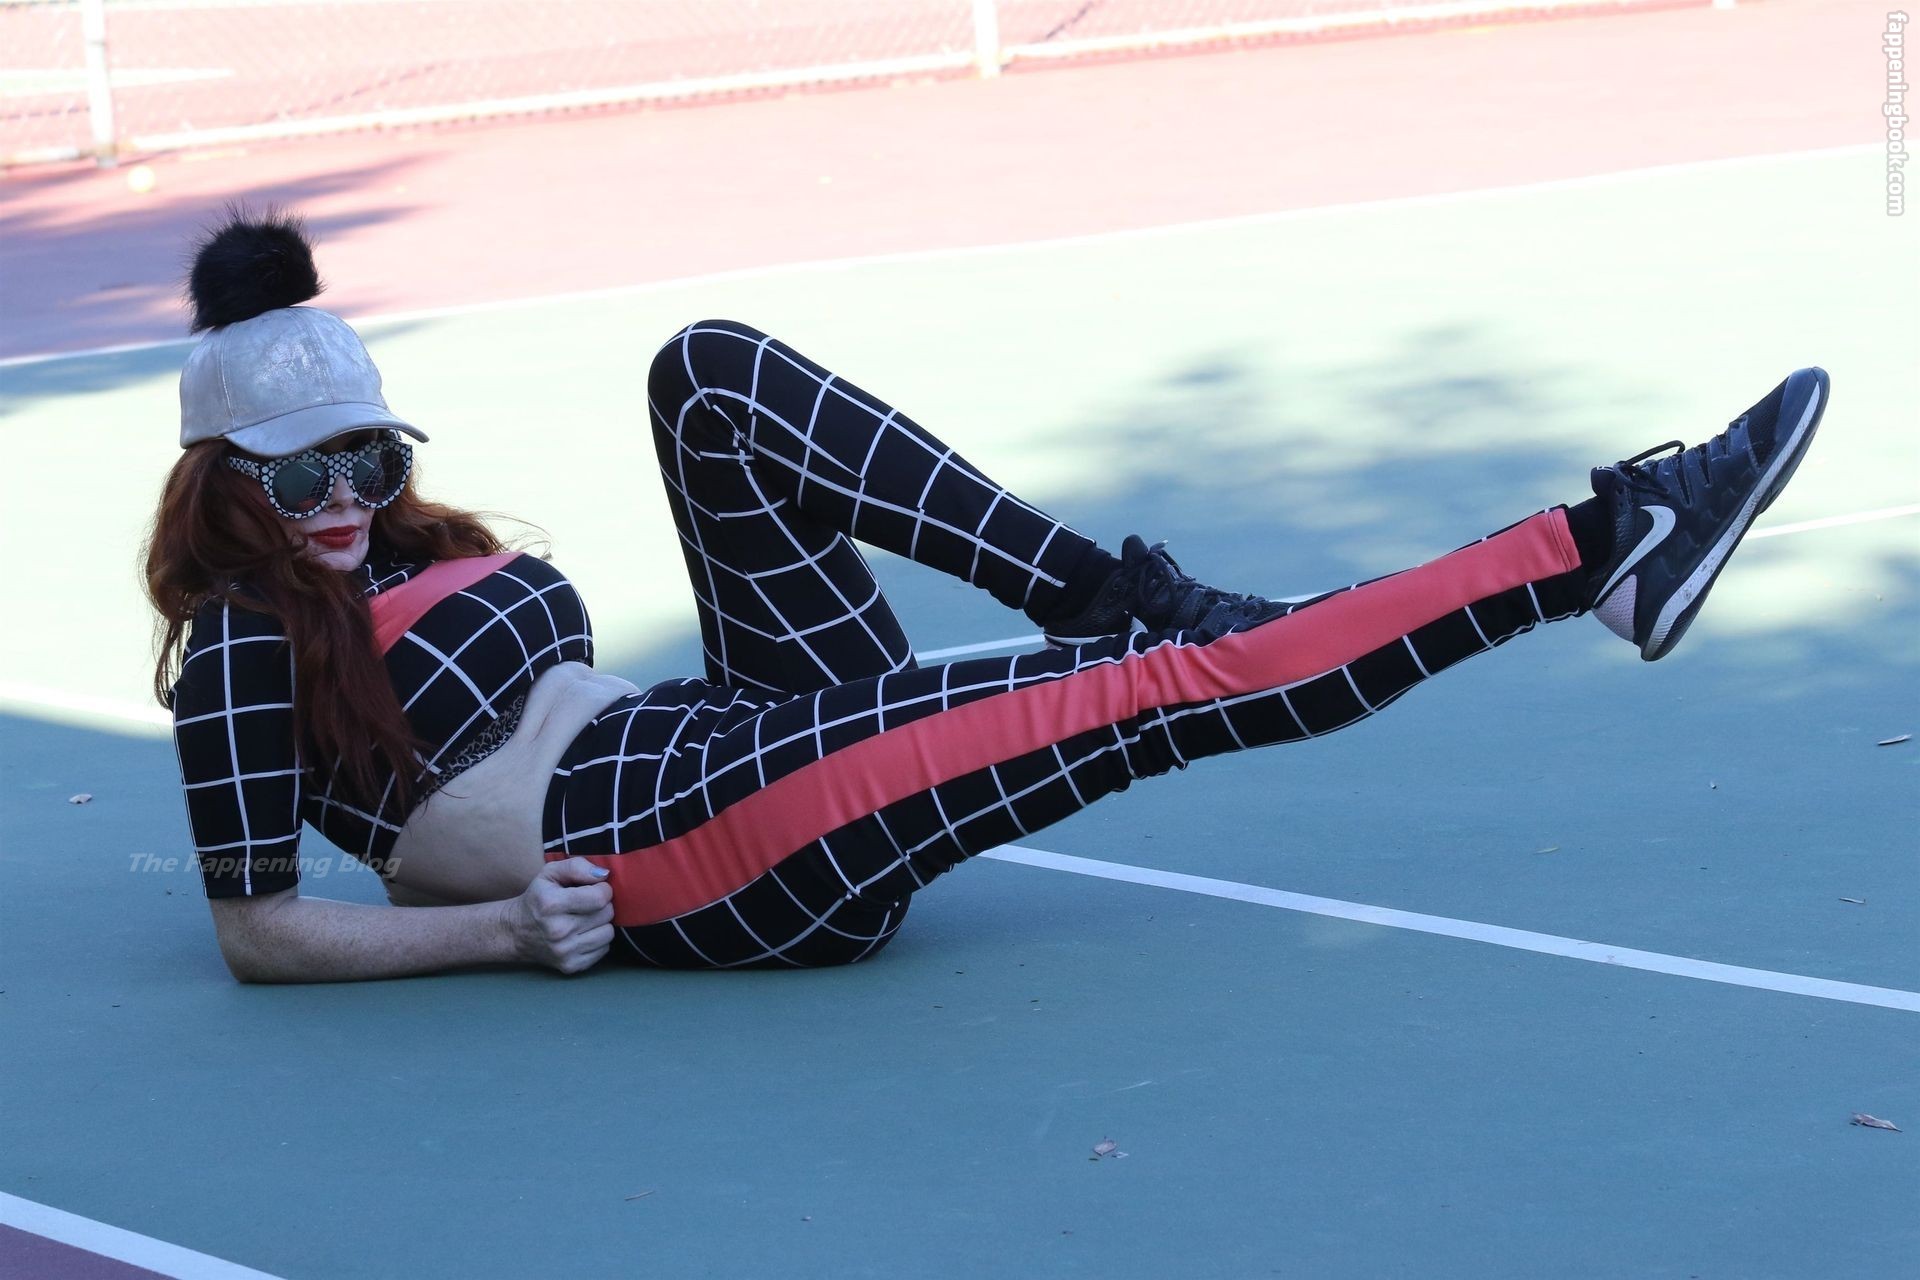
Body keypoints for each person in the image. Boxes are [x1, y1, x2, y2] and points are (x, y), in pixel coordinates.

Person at [144, 212, 1829, 982]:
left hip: (718, 729)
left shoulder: (403, 539)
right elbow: (255, 930)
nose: (342, 499)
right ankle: (1600, 550)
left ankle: (1109, 592)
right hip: (696, 844)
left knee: (707, 376)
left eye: (364, 457)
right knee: (1162, 694)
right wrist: (500, 936)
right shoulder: (239, 644)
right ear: (225, 486)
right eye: (299, 479)